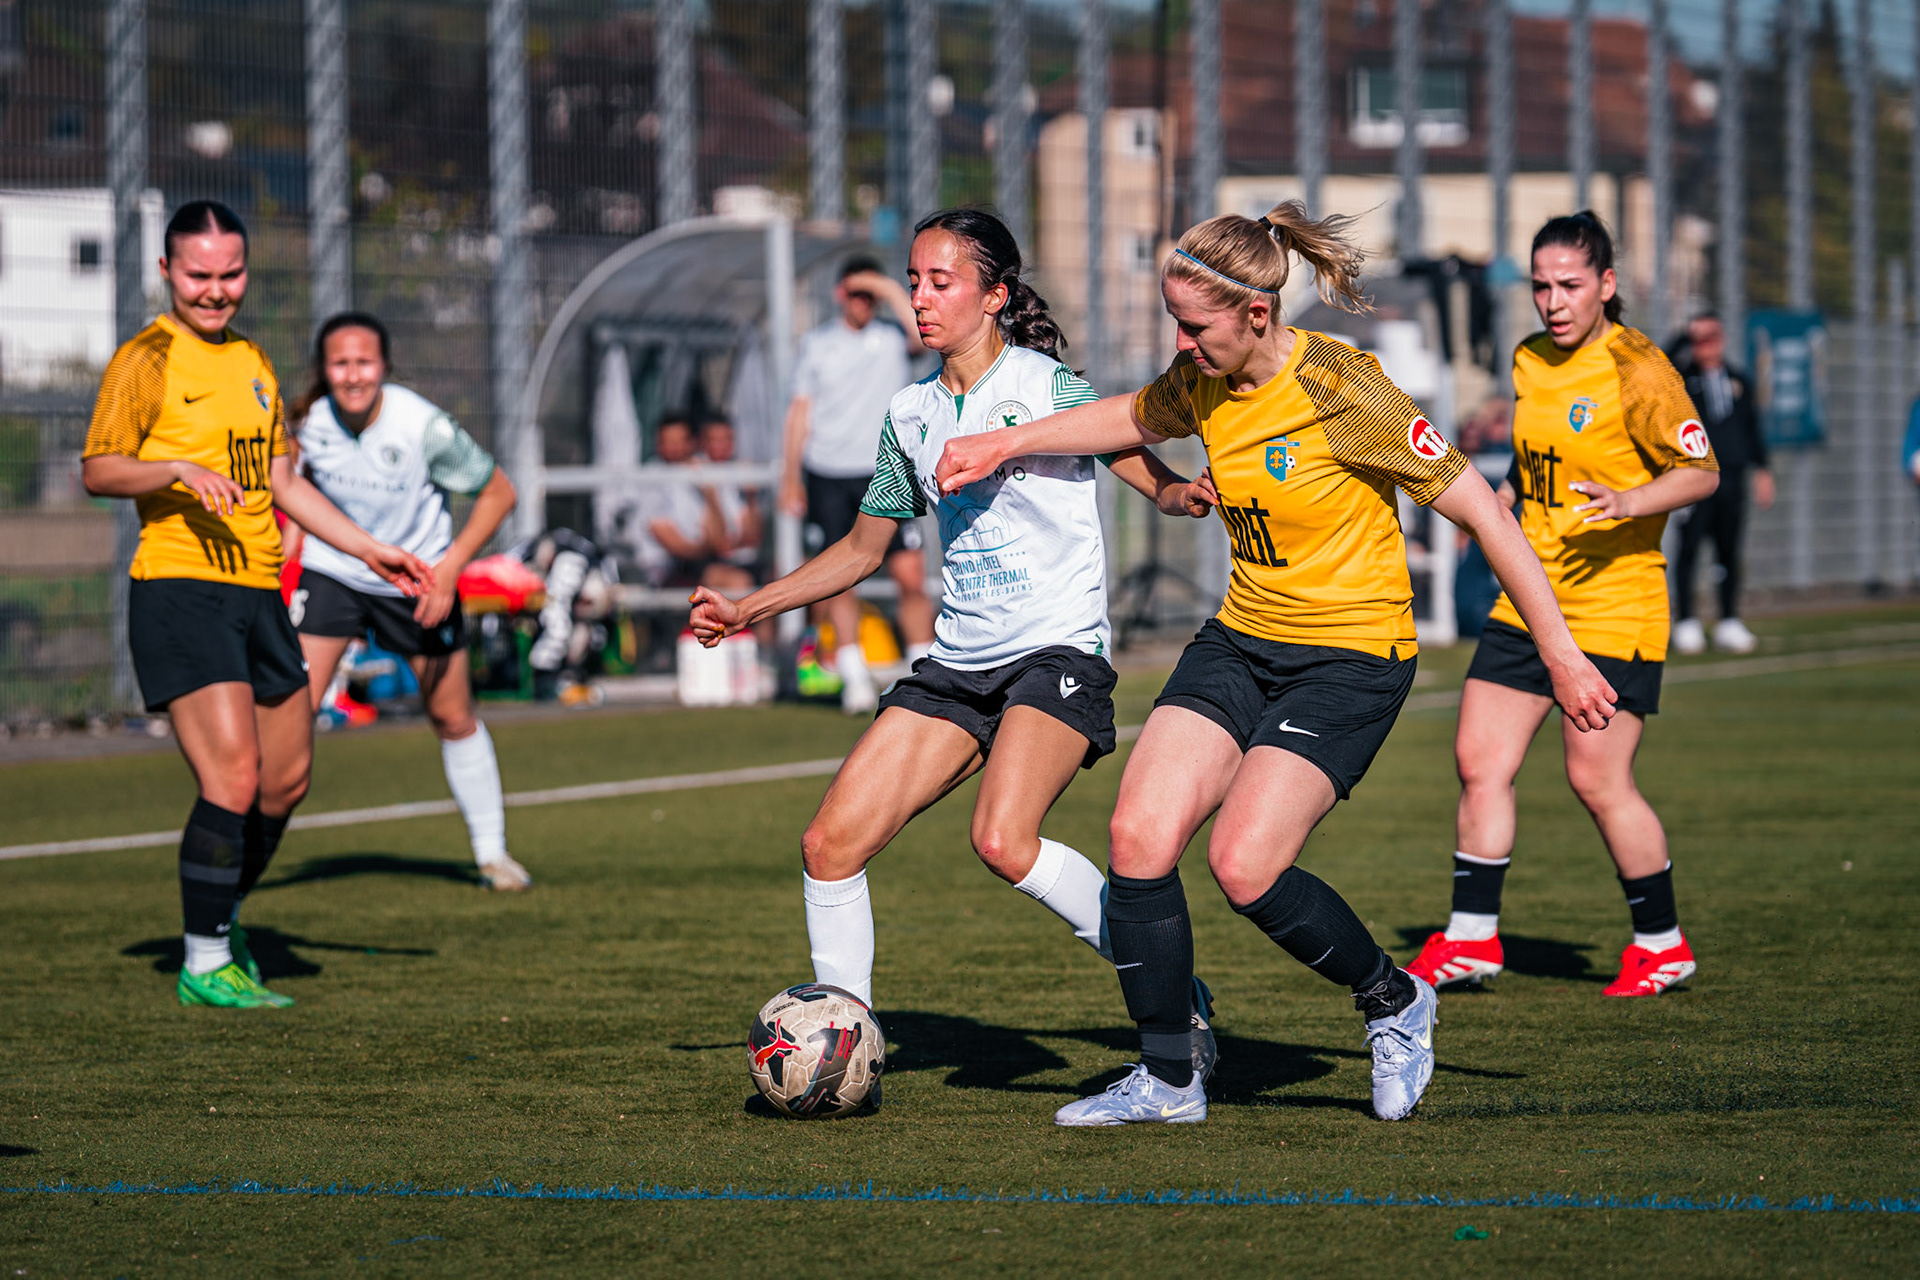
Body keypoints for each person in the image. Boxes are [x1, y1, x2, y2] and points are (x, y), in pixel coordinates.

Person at [935, 201, 1615, 1126]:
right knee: (1138, 838)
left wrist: (1564, 657)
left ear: (1257, 313)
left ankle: (1395, 1002)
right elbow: (1126, 417)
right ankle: (1171, 1080)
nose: (1183, 341)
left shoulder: (1348, 389)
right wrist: (1003, 442)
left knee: (1245, 867)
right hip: (1241, 640)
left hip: (1350, 657)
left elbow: (1487, 514)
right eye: (1175, 322)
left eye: (1195, 324)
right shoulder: (1202, 377)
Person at [692, 208, 1223, 1079]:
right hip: (959, 661)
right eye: (913, 281)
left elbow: (1132, 453)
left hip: (1056, 652)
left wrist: (1173, 496)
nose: (920, 298)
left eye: (941, 282)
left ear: (995, 296)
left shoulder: (1044, 386)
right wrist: (751, 607)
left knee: (1003, 839)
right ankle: (843, 1045)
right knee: (829, 847)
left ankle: (1173, 991)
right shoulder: (910, 415)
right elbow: (865, 550)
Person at [80, 201, 432, 1008]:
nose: (215, 290)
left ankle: (220, 918)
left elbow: (281, 482)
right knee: (233, 776)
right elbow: (99, 469)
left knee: (287, 780)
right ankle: (205, 962)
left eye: (229, 273)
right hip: (179, 588)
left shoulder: (253, 361)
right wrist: (171, 469)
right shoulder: (146, 360)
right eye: (198, 275)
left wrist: (365, 545)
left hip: (258, 591)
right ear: (166, 272)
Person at [1408, 211, 1720, 1000]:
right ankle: (1473, 939)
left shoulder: (1639, 369)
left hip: (1616, 607)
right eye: (1542, 286)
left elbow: (1703, 471)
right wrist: (1503, 506)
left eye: (1570, 285)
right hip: (1531, 601)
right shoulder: (1528, 359)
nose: (1553, 301)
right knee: (1480, 761)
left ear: (1607, 286)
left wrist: (1631, 499)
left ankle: (1662, 945)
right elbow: (1531, 460)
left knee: (1597, 780)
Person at [284, 311, 532, 891]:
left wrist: (449, 570)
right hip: (334, 573)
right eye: (340, 363)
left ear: (384, 367)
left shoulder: (424, 427)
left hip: (415, 577)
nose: (352, 375)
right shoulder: (307, 421)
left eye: (364, 362)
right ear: (324, 370)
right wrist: (290, 547)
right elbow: (292, 486)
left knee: (451, 714)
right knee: (291, 719)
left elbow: (500, 493)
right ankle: (238, 868)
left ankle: (492, 854)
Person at [779, 256, 936, 713]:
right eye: (855, 293)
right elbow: (800, 412)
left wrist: (886, 288)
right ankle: (852, 676)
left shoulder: (891, 339)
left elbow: (918, 335)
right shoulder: (816, 344)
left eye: (870, 296)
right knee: (842, 580)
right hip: (828, 473)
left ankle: (925, 673)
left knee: (909, 575)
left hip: (885, 470)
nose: (862, 303)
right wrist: (790, 476)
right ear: (838, 295)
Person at [1669, 312, 1772, 655]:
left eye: (1711, 336)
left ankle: (1729, 618)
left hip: (1731, 477)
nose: (1705, 345)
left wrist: (1762, 470)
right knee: (1689, 550)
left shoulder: (1738, 380)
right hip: (1693, 478)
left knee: (1729, 550)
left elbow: (1752, 430)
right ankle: (1686, 621)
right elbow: (1664, 363)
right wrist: (1684, 336)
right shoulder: (1682, 380)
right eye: (1698, 339)